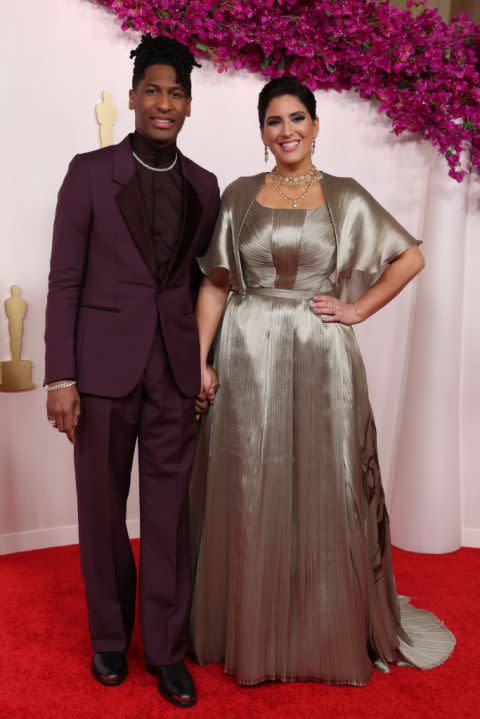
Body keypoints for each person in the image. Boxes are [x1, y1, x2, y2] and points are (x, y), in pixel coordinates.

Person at [189, 76, 455, 686]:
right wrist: (200, 359)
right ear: (261, 132)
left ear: (315, 125)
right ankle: (251, 625)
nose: (287, 131)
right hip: (248, 353)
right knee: (249, 481)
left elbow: (409, 257)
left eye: (297, 118)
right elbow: (215, 283)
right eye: (274, 121)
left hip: (321, 353)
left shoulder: (345, 195)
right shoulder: (238, 196)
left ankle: (326, 625)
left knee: (328, 482)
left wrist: (357, 310)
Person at [44, 35, 220, 708]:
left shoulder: (204, 186)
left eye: (176, 93)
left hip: (175, 374)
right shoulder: (89, 174)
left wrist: (204, 366)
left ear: (189, 105)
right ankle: (111, 639)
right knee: (102, 512)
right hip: (100, 374)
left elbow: (213, 284)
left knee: (170, 517)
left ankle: (167, 651)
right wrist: (61, 377)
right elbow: (64, 281)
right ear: (133, 96)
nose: (164, 103)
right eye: (153, 90)